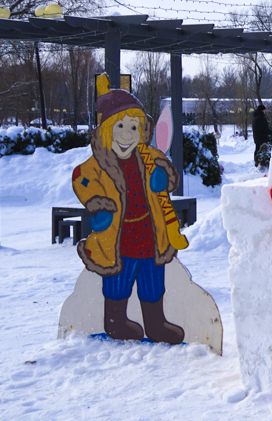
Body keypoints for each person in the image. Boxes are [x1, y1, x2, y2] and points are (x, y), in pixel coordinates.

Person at [72, 86, 189, 343]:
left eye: (134, 127)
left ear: (142, 131)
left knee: (152, 281)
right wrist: (98, 203)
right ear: (107, 130)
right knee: (118, 280)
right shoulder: (99, 163)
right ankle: (115, 322)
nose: (127, 134)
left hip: (150, 233)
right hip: (119, 237)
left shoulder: (148, 156)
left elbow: (166, 170)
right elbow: (81, 178)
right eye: (120, 126)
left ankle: (156, 324)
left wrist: (164, 177)